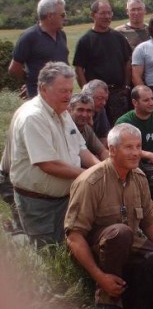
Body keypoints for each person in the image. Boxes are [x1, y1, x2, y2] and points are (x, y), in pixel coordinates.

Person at [64, 123, 153, 308]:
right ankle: (107, 297)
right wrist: (100, 277)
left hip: (129, 243)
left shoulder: (139, 177)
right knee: (121, 233)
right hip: (96, 249)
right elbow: (74, 237)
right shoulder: (91, 181)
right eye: (129, 147)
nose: (136, 153)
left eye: (138, 146)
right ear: (112, 150)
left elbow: (149, 220)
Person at [10, 62, 99, 245]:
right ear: (43, 89)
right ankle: (16, 241)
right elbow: (48, 164)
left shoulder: (63, 111)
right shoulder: (33, 117)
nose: (68, 96)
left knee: (67, 248)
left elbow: (81, 148)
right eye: (62, 91)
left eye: (69, 90)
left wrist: (101, 168)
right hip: (40, 204)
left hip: (64, 199)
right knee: (47, 256)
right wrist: (91, 175)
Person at [73, 0, 132, 124]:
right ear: (93, 15)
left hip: (118, 93)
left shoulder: (119, 37)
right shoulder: (85, 40)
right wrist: (86, 93)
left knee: (119, 128)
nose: (107, 17)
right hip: (95, 97)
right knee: (97, 129)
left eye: (109, 13)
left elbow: (128, 61)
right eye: (103, 13)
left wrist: (126, 86)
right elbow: (78, 68)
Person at [8, 0, 69, 98]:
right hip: (40, 98)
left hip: (62, 96)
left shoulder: (61, 35)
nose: (65, 18)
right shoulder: (29, 37)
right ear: (50, 16)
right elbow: (14, 69)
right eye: (62, 15)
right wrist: (31, 82)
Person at [68, 93, 109, 161]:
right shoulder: (65, 128)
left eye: (89, 111)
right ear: (70, 110)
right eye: (80, 110)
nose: (84, 115)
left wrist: (111, 166)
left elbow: (102, 151)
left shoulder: (86, 129)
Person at [81, 79, 112, 147]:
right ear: (87, 96)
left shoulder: (100, 110)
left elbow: (104, 136)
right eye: (100, 98)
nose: (103, 103)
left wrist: (101, 153)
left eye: (105, 99)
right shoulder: (76, 111)